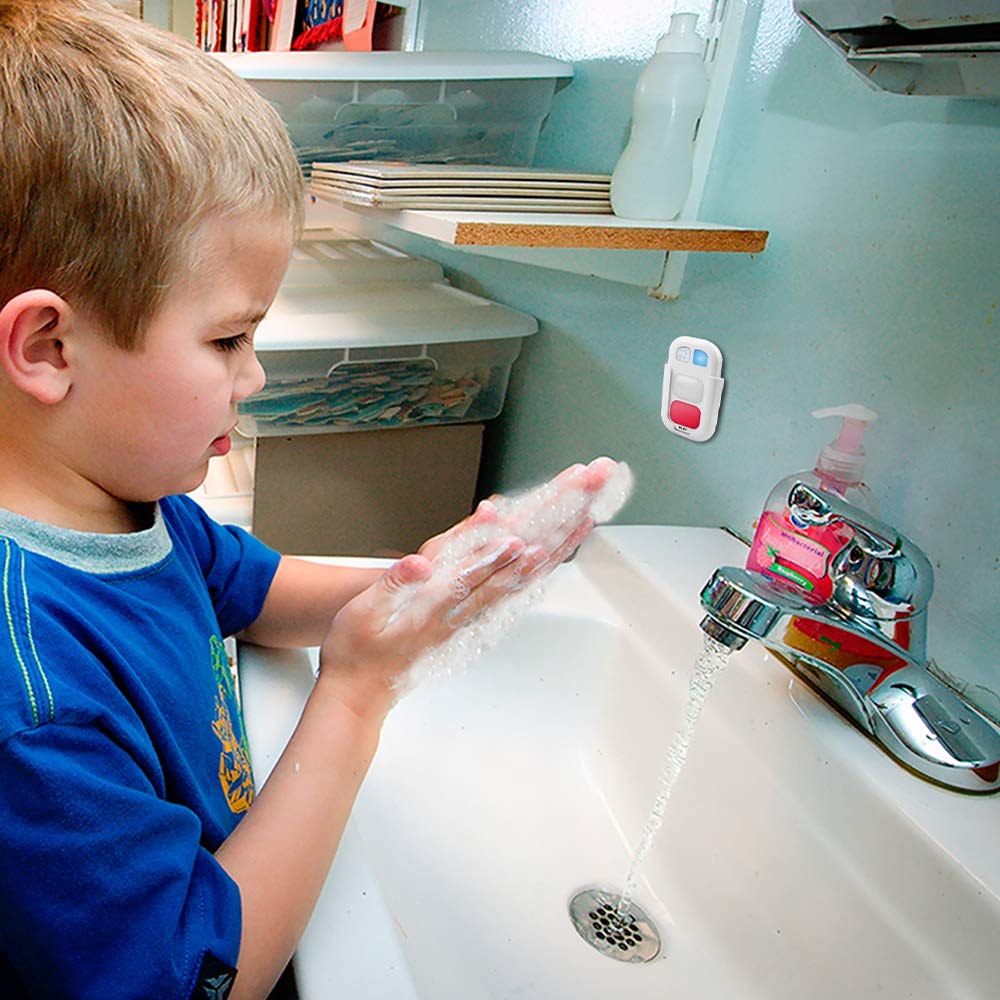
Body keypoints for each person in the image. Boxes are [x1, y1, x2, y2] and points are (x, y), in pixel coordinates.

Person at [0, 2, 616, 997]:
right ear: (48, 347)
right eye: (227, 339)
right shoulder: (31, 697)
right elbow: (196, 978)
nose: (252, 378)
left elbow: (251, 590)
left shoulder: (127, 504)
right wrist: (354, 692)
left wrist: (425, 584)